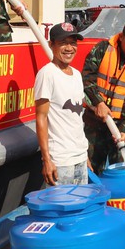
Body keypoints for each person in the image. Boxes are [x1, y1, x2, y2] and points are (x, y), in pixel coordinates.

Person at [82, 18, 125, 173]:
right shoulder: (102, 49)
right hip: (94, 122)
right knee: (90, 169)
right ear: (123, 36)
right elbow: (87, 77)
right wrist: (98, 102)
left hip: (120, 126)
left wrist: (124, 131)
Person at [34, 22, 89, 186]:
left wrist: (84, 156)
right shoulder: (47, 74)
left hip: (80, 157)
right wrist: (47, 160)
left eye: (73, 43)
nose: (69, 48)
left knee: (81, 202)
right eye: (63, 43)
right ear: (51, 45)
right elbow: (41, 118)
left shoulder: (77, 75)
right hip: (60, 161)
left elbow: (77, 118)